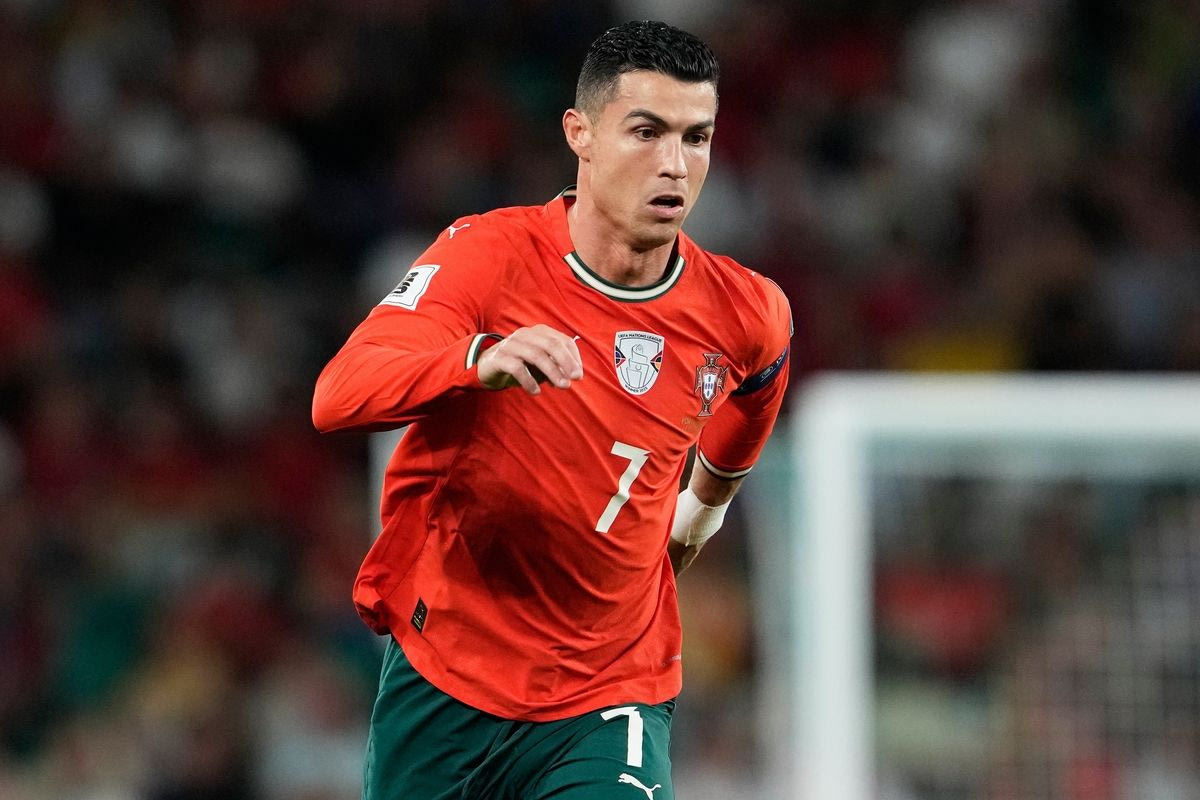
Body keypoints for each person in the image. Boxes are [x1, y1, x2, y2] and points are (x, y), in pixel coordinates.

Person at [312, 19, 791, 800]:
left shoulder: (743, 311)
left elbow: (760, 386)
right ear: (581, 134)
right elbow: (337, 396)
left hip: (610, 688)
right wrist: (475, 360)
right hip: (449, 673)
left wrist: (701, 513)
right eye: (647, 131)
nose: (675, 164)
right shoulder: (487, 257)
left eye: (696, 138)